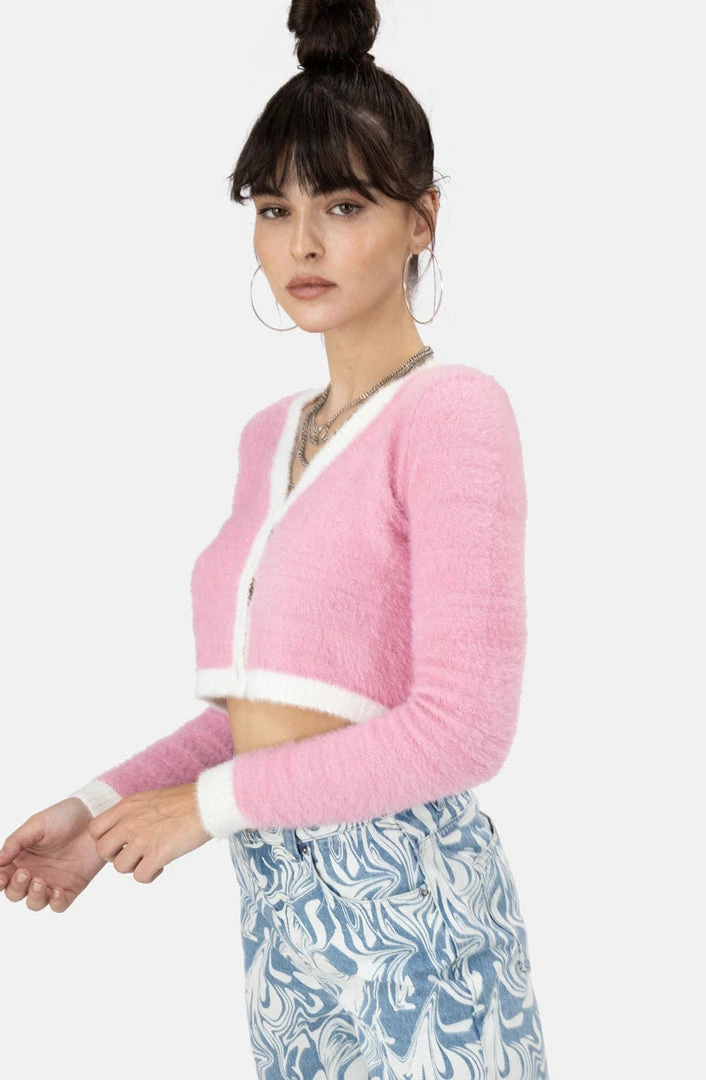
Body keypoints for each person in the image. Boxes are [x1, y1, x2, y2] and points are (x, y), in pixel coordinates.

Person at [1, 1, 550, 1075]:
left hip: (416, 915)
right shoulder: (270, 436)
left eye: (343, 205)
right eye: (272, 207)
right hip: (281, 922)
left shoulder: (452, 414)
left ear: (423, 220)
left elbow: (463, 730)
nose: (300, 243)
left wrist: (202, 811)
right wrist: (100, 812)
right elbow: (268, 714)